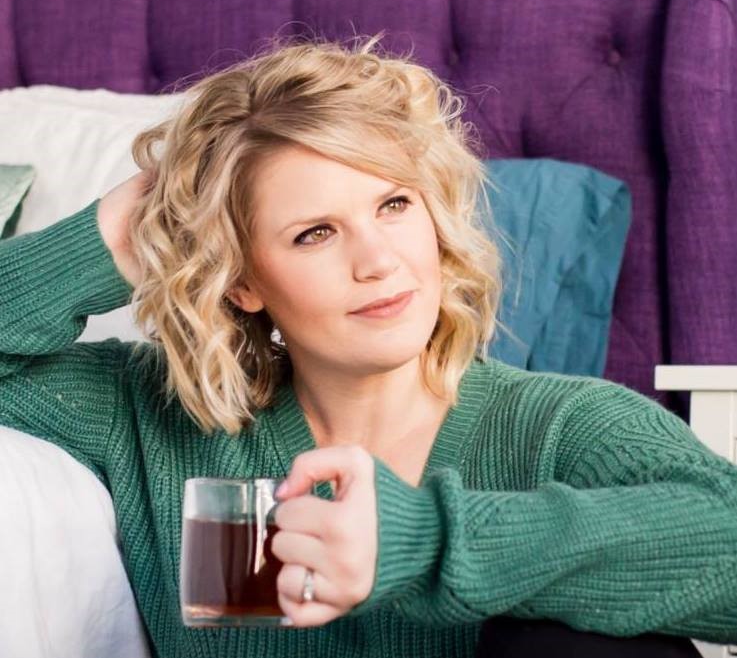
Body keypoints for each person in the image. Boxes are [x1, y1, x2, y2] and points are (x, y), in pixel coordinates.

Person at [0, 32, 730, 658]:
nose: (378, 260)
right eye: (314, 233)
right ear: (242, 279)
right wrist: (107, 241)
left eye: (394, 204)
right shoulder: (152, 417)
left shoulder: (562, 427)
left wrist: (426, 542)